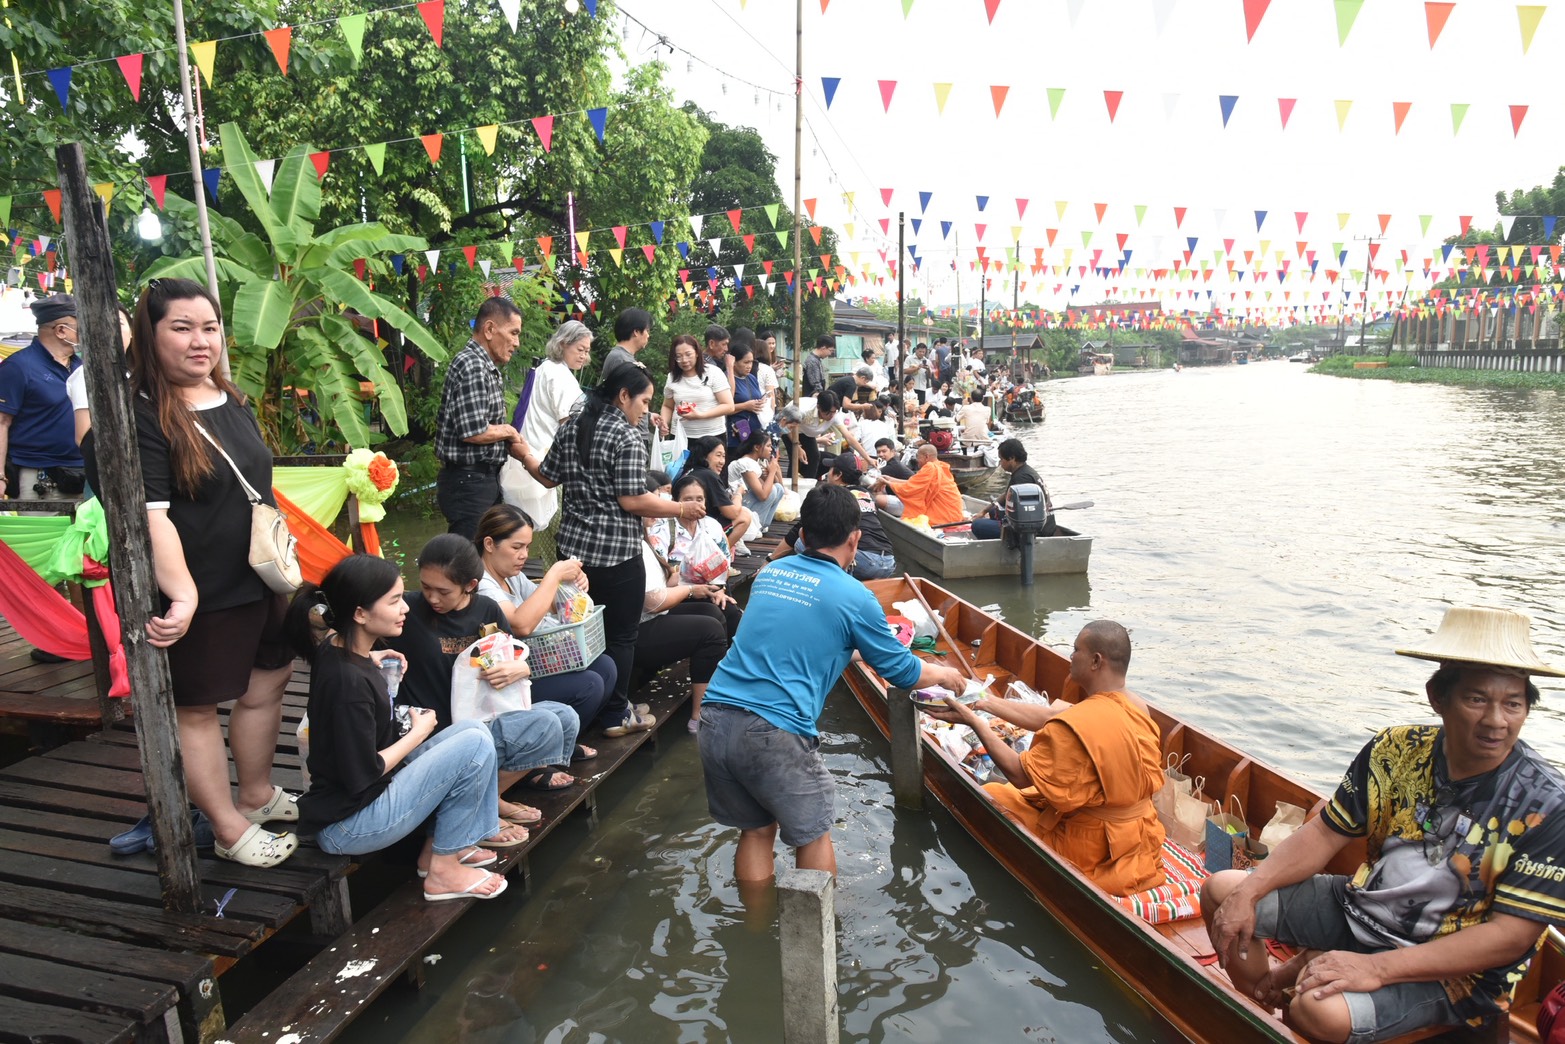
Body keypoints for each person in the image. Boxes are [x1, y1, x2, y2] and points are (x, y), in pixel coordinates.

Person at [1202, 607, 1565, 1044]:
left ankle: (1302, 999)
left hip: (1454, 974)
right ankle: (1260, 1001)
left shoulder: (1546, 803)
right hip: (1362, 910)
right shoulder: (1395, 749)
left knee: (1317, 1009)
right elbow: (1323, 833)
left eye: (1513, 704)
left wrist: (1374, 968)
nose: (1496, 720)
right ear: (1438, 697)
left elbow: (1510, 937)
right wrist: (1249, 891)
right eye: (1476, 699)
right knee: (1223, 891)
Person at [109, 278, 296, 866]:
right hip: (205, 590)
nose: (200, 341)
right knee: (196, 708)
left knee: (268, 682)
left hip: (260, 579)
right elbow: (152, 518)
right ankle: (226, 826)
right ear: (151, 333)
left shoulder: (230, 397)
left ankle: (257, 792)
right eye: (182, 328)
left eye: (209, 328)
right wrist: (182, 595)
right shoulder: (141, 414)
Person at [699, 484, 967, 884]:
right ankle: (820, 942)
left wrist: (860, 648)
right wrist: (945, 673)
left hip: (714, 719)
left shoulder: (770, 573)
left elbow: (808, 642)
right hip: (770, 729)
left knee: (756, 831)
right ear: (855, 538)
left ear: (803, 534)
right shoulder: (854, 596)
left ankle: (755, 930)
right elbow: (904, 673)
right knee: (813, 835)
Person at [286, 555, 509, 902]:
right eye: (394, 601)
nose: (406, 607)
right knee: (474, 747)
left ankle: (441, 852)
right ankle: (443, 873)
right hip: (351, 824)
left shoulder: (339, 649)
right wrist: (419, 732)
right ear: (359, 614)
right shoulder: (349, 685)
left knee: (475, 733)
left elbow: (345, 665)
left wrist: (372, 660)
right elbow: (362, 773)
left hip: (358, 806)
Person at [514, 365, 698, 735]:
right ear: (623, 396)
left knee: (582, 630)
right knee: (621, 636)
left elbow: (547, 476)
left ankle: (596, 705)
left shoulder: (572, 428)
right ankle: (615, 713)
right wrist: (681, 508)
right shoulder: (626, 436)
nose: (646, 410)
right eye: (644, 401)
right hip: (616, 556)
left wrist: (522, 453)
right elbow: (632, 500)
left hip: (573, 556)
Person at [926, 621, 1166, 897]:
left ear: (1096, 661)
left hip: (1098, 847)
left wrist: (975, 723)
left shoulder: (1082, 720)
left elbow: (1018, 774)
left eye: (1076, 650)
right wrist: (983, 701)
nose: (1070, 656)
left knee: (994, 792)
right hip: (1140, 836)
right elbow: (1052, 718)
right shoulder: (1135, 705)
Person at [384, 535, 579, 817]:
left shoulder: (487, 610)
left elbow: (512, 657)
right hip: (437, 734)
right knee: (546, 724)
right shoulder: (407, 612)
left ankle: (488, 796)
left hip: (482, 721)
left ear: (470, 586)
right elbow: (352, 624)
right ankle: (481, 806)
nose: (433, 598)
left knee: (564, 717)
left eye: (444, 591)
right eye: (426, 587)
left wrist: (523, 669)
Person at [473, 504, 618, 740]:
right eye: (517, 547)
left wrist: (568, 587)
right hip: (506, 682)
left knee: (606, 667)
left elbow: (547, 605)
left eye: (527, 547)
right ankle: (544, 756)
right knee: (590, 684)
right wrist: (553, 575)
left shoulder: (512, 576)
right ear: (489, 544)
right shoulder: (483, 584)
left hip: (534, 665)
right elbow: (521, 625)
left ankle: (567, 742)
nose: (524, 555)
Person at [636, 475, 734, 734]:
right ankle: (699, 717)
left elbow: (723, 565)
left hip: (686, 595)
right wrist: (690, 586)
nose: (658, 511)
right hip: (646, 620)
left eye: (699, 499)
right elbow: (654, 601)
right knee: (710, 630)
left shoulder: (710, 527)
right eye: (686, 500)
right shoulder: (656, 534)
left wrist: (714, 588)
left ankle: (720, 689)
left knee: (721, 610)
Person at [435, 298, 525, 539]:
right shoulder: (474, 365)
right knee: (468, 562)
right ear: (489, 329)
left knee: (483, 558)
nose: (516, 343)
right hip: (468, 482)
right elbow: (473, 431)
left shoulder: (485, 366)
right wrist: (509, 431)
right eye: (513, 333)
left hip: (478, 480)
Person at [0, 292, 85, 502]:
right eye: (81, 325)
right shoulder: (19, 367)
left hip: (83, 473)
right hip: (39, 476)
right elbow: (1, 423)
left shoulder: (81, 367)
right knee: (43, 535)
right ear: (61, 331)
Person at [506, 320, 589, 531]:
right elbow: (571, 426)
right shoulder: (561, 377)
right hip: (549, 463)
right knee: (559, 532)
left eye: (586, 351)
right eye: (580, 349)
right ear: (562, 344)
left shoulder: (542, 368)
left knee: (532, 529)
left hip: (529, 456)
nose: (584, 356)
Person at [769, 453, 897, 580]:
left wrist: (770, 560)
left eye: (830, 469)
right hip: (888, 561)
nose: (828, 473)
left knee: (800, 544)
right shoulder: (866, 494)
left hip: (866, 561)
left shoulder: (835, 498)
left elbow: (799, 529)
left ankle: (822, 580)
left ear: (838, 475)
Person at [66, 303, 133, 445]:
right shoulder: (86, 375)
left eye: (118, 323)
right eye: (103, 323)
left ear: (132, 331)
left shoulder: (134, 372)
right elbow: (83, 437)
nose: (111, 328)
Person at [660, 334, 738, 443]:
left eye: (688, 354)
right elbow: (668, 406)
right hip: (680, 437)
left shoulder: (713, 372)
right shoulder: (672, 377)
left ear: (697, 353)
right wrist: (663, 422)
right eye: (679, 356)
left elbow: (729, 406)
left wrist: (700, 415)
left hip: (711, 437)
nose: (684, 360)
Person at [969, 438, 1053, 540]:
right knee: (993, 511)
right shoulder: (1025, 471)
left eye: (1002, 459)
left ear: (1012, 458)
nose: (1000, 463)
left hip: (1034, 530)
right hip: (1036, 523)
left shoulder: (1022, 478)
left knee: (978, 525)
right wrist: (984, 511)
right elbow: (1006, 496)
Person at [780, 390, 872, 480]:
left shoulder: (835, 415)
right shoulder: (804, 410)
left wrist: (867, 458)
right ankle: (790, 485)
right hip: (790, 429)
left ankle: (809, 482)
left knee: (814, 456)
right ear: (819, 407)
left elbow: (849, 437)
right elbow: (785, 426)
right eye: (828, 413)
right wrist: (798, 447)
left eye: (834, 412)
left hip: (807, 433)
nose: (831, 416)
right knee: (796, 457)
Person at [683, 436, 753, 552]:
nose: (722, 461)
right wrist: (738, 494)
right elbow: (732, 513)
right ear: (704, 455)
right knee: (744, 515)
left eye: (724, 456)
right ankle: (718, 556)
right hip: (699, 528)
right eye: (718, 455)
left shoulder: (688, 471)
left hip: (687, 526)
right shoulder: (709, 476)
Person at [873, 444, 964, 526]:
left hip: (944, 517)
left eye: (918, 457)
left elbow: (908, 489)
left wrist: (887, 483)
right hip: (955, 514)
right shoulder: (940, 466)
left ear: (926, 457)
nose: (917, 461)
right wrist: (889, 479)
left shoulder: (930, 467)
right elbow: (914, 483)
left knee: (879, 499)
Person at [727, 429, 785, 531]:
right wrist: (771, 472)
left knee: (778, 488)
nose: (771, 449)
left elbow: (778, 486)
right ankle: (753, 526)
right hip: (738, 506)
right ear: (757, 447)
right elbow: (763, 495)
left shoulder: (756, 462)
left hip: (747, 503)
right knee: (771, 491)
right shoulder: (746, 463)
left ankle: (761, 525)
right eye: (768, 446)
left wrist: (775, 471)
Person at [726, 342, 765, 449]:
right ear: (735, 362)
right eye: (746, 362)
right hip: (736, 434)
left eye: (751, 362)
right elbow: (724, 407)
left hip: (754, 432)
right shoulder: (726, 379)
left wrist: (761, 402)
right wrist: (745, 406)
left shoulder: (751, 378)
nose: (749, 366)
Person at [752, 330, 779, 431]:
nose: (771, 346)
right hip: (764, 409)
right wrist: (771, 416)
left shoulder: (748, 367)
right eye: (769, 344)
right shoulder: (767, 369)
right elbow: (770, 395)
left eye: (773, 343)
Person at [703, 323, 734, 394]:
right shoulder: (708, 365)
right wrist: (730, 367)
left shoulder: (707, 360)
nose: (726, 349)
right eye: (724, 344)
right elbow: (729, 394)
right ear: (711, 344)